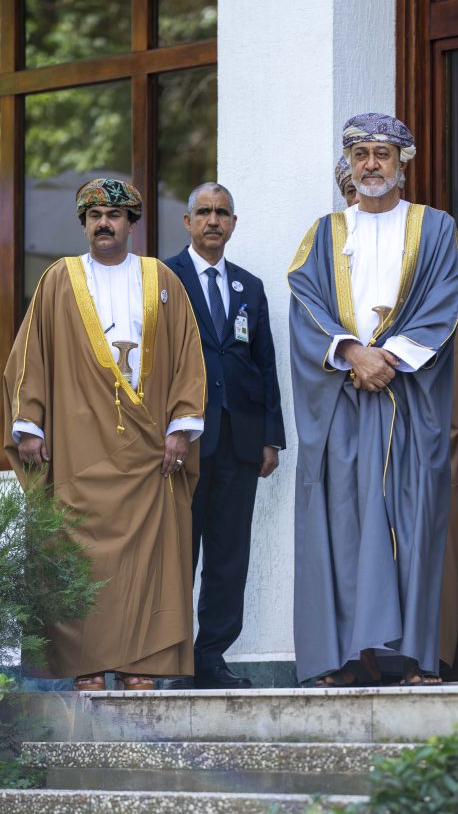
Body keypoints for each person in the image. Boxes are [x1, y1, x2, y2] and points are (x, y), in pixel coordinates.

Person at [288, 112, 458, 687]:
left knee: (414, 518)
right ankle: (339, 657)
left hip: (410, 396)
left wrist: (389, 356)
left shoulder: (437, 228)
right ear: (349, 162)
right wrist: (350, 353)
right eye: (361, 154)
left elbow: (448, 292)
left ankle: (416, 656)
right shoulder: (323, 232)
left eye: (383, 155)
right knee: (339, 520)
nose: (371, 164)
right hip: (343, 398)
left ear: (403, 163)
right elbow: (305, 300)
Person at [3, 178, 206, 691]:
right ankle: (87, 665)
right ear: (84, 224)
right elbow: (30, 357)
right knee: (77, 551)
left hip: (149, 448)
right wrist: (29, 426)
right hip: (78, 446)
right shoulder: (58, 280)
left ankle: (144, 665)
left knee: (151, 556)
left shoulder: (161, 279)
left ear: (132, 224)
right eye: (94, 215)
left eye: (114, 215)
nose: (103, 223)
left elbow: (188, 358)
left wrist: (182, 428)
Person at [165, 183, 285, 689]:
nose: (214, 221)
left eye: (223, 213)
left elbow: (264, 362)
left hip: (240, 440)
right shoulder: (163, 278)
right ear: (188, 222)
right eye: (204, 212)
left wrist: (271, 437)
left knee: (229, 555)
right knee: (177, 555)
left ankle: (211, 657)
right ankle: (170, 663)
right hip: (185, 442)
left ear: (233, 224)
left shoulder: (249, 287)